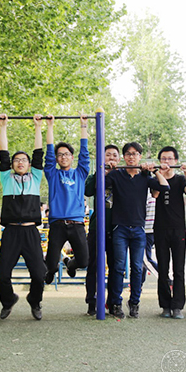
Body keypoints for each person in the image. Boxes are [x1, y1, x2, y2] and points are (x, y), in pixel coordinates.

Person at [105, 142, 170, 319]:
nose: (131, 157)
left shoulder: (144, 177)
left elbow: (165, 187)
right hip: (120, 228)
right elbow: (99, 186)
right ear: (124, 157)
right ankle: (116, 303)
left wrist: (155, 170)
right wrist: (109, 170)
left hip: (139, 229)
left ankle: (134, 302)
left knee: (137, 267)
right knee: (118, 267)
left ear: (140, 157)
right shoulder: (117, 175)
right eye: (128, 154)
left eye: (135, 154)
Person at [0, 114, 47, 320]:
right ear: (12, 165)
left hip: (31, 231)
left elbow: (38, 153)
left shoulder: (35, 177)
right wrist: (2, 127)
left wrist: (38, 127)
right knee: (2, 272)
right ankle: (8, 300)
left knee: (39, 273)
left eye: (24, 160)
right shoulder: (6, 178)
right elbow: (3, 153)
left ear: (29, 164)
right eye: (16, 160)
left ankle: (34, 300)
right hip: (11, 232)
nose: (20, 162)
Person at [43, 115, 90, 285]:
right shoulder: (52, 174)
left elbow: (84, 154)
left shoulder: (80, 173)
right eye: (60, 155)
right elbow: (48, 154)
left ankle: (70, 264)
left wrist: (83, 126)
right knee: (50, 262)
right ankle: (52, 269)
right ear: (56, 158)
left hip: (76, 223)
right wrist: (50, 126)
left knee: (84, 261)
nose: (63, 157)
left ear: (72, 157)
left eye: (67, 154)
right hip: (57, 224)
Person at [153, 146, 186, 320]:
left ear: (175, 161)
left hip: (178, 229)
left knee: (178, 269)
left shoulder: (180, 179)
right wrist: (159, 173)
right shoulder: (156, 178)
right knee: (163, 269)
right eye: (163, 159)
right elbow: (155, 194)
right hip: (160, 229)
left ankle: (177, 306)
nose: (167, 162)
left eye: (170, 159)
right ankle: (165, 305)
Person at [84, 144, 120, 316]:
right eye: (108, 155)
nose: (111, 158)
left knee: (115, 266)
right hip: (97, 227)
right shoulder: (97, 175)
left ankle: (112, 302)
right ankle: (92, 302)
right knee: (93, 265)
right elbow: (87, 191)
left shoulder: (121, 176)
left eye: (114, 155)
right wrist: (101, 172)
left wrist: (114, 173)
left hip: (117, 228)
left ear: (119, 159)